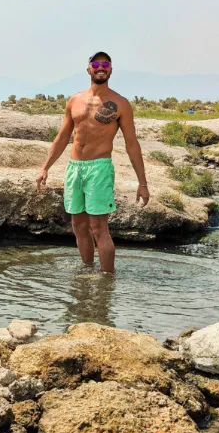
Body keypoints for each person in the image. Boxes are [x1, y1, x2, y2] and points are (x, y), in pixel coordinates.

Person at [35, 52, 150, 274]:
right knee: (78, 226)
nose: (101, 67)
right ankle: (87, 273)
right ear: (88, 69)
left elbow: (132, 144)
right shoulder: (74, 101)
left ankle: (107, 280)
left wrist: (142, 183)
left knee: (99, 228)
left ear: (111, 70)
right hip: (74, 168)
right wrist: (44, 168)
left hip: (99, 168)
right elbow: (62, 137)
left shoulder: (120, 104)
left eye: (105, 64)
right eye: (96, 63)